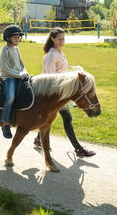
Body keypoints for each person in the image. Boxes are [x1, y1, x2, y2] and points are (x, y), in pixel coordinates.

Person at [33, 27, 95, 157]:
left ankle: (38, 139)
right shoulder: (50, 55)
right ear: (53, 39)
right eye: (59, 39)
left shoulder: (59, 52)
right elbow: (50, 77)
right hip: (57, 93)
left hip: (63, 90)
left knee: (49, 119)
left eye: (63, 38)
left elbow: (61, 71)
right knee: (67, 119)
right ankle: (78, 149)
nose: (62, 41)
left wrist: (74, 71)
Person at [0, 25, 30, 139]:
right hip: (9, 77)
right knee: (10, 96)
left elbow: (21, 64)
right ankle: (5, 123)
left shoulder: (17, 49)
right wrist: (19, 75)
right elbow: (5, 68)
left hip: (19, 76)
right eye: (15, 37)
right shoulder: (4, 50)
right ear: (8, 38)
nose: (18, 39)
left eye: (19, 37)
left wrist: (26, 72)